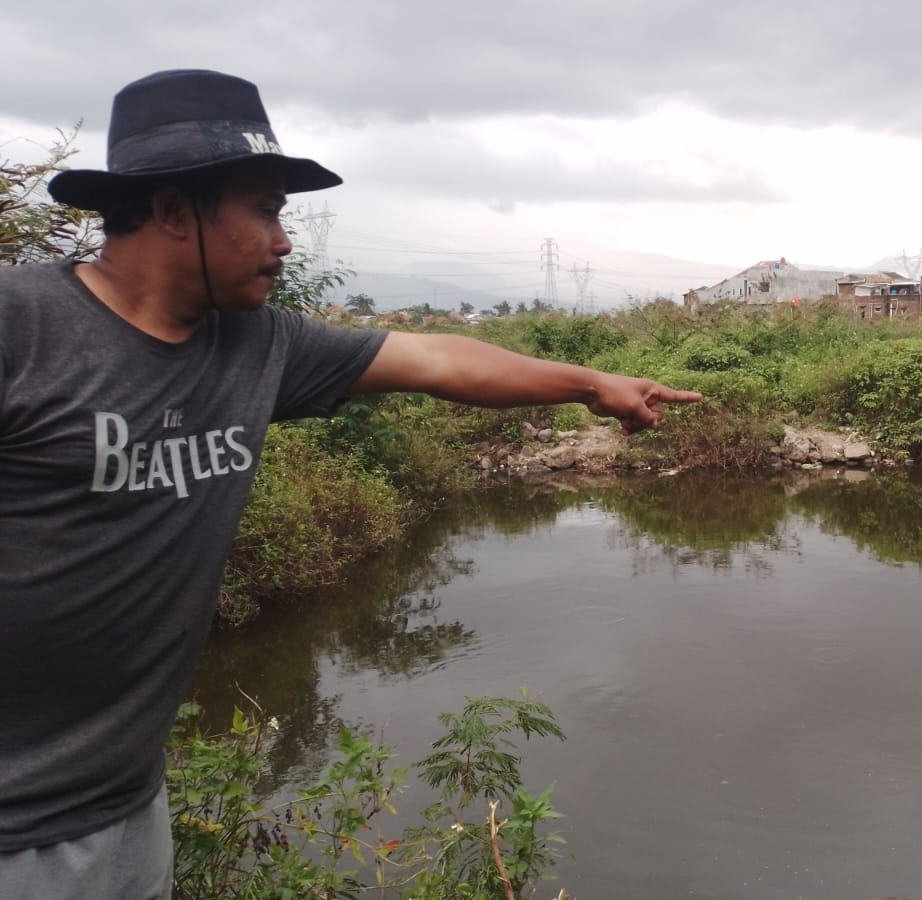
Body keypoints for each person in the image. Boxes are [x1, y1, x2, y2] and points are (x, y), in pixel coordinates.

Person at [0, 69, 700, 899]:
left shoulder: (259, 344)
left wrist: (591, 383)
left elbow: (440, 357)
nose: (284, 241)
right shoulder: (23, 330)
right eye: (264, 211)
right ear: (174, 210)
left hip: (125, 809)